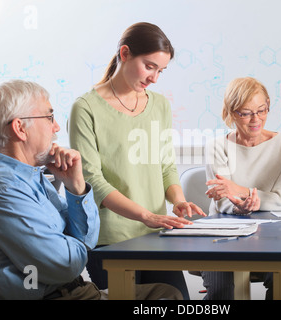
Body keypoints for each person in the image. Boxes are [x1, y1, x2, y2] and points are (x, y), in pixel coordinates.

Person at [0, 79, 182, 300]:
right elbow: (65, 266)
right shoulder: (1, 190)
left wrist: (76, 187)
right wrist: (75, 243)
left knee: (166, 293)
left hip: (71, 289)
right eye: (49, 117)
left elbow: (76, 243)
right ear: (20, 128)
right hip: (56, 294)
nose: (56, 127)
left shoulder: (29, 176)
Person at [68, 22, 205, 299]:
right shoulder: (85, 108)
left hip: (156, 236)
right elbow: (93, 181)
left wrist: (178, 200)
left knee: (178, 300)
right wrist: (146, 215)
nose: (154, 78)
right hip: (109, 239)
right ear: (125, 53)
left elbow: (165, 165)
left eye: (161, 71)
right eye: (149, 66)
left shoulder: (159, 105)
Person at [202, 77, 281, 299]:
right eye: (245, 113)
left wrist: (238, 189)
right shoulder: (217, 146)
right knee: (222, 291)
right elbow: (223, 201)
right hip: (222, 233)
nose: (256, 120)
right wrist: (242, 207)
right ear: (231, 112)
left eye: (262, 110)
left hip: (272, 233)